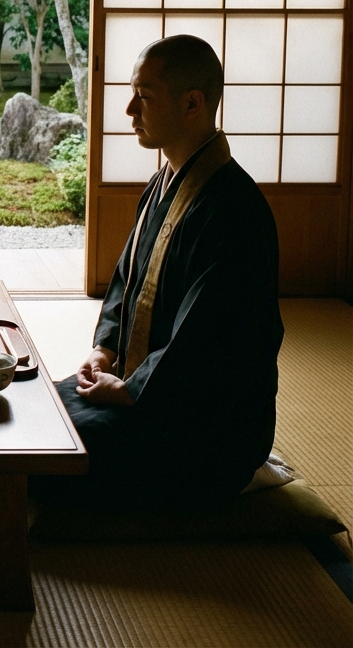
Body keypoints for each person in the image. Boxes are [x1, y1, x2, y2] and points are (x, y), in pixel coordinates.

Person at [35, 34, 284, 511]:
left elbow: (209, 340)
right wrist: (104, 349)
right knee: (32, 411)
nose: (129, 109)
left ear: (193, 103)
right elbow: (126, 280)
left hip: (204, 424)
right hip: (144, 387)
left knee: (45, 453)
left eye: (144, 96)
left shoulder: (232, 210)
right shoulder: (163, 182)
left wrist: (131, 389)